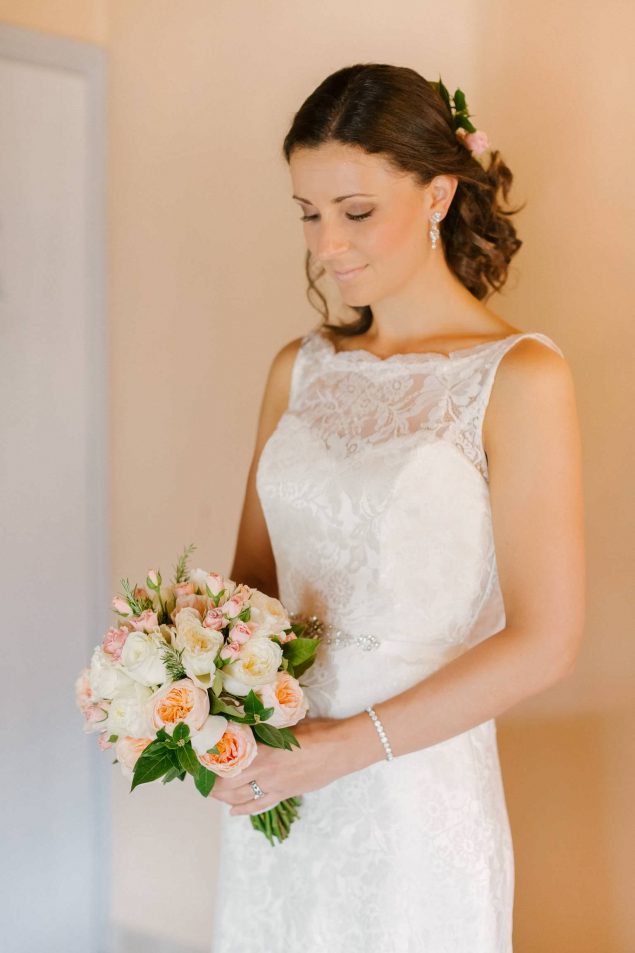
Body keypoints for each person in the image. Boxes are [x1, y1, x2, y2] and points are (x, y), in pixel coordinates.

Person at [208, 63, 585, 952]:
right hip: (278, 781)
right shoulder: (296, 370)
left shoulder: (520, 379)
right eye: (307, 212)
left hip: (414, 797)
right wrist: (199, 706)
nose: (326, 244)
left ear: (438, 193)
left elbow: (547, 639)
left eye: (355, 210)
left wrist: (340, 748)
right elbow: (252, 584)